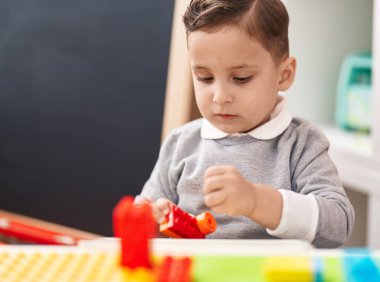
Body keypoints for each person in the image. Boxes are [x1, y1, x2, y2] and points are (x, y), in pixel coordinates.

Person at [136, 0, 354, 248]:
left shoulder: (302, 144)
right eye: (204, 77)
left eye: (241, 78)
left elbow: (339, 224)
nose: (220, 97)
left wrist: (256, 201)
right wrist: (152, 219)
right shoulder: (181, 143)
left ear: (284, 74)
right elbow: (141, 213)